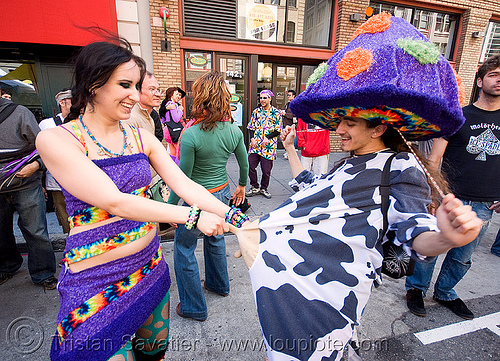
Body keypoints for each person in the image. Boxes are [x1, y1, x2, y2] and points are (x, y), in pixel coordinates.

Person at [233, 13, 482, 361]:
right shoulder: (349, 161)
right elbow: (312, 192)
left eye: (350, 122)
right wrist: (289, 149)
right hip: (309, 282)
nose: (340, 130)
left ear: (378, 128)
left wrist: (450, 238)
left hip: (336, 290)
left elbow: (416, 234)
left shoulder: (400, 166)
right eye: (340, 121)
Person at [36, 39, 248, 361]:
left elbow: (185, 182)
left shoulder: (140, 136)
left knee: (153, 355)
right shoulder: (57, 139)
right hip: (95, 281)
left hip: (149, 267)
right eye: (125, 84)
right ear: (93, 84)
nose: (135, 95)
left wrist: (239, 220)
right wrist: (192, 218)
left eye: (136, 85)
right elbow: (115, 201)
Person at [405, 53, 500, 320]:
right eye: (494, 74)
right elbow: (434, 158)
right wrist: (432, 195)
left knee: (463, 256)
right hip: (450, 198)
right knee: (431, 247)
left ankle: (445, 292)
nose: (499, 80)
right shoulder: (458, 117)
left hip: (484, 204)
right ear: (480, 81)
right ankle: (416, 289)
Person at [168, 70, 249, 321]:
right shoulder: (234, 130)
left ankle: (194, 307)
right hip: (222, 193)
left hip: (197, 201)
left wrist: (172, 207)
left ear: (200, 99)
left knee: (183, 248)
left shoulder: (191, 135)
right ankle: (219, 285)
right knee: (216, 239)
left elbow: (183, 179)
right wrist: (242, 186)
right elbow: (244, 164)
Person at [0, 96, 57, 290]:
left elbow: (44, 148)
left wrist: (35, 166)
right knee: (1, 232)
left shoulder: (20, 113)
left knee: (36, 231)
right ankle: (7, 266)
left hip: (25, 183)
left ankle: (44, 273)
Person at [39, 88, 73, 234]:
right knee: (66, 221)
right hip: (57, 183)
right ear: (62, 103)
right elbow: (39, 153)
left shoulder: (82, 121)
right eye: (72, 101)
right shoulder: (46, 125)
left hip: (81, 180)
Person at [246, 89, 282, 199]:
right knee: (249, 166)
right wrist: (252, 138)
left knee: (266, 170)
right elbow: (251, 126)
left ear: (270, 99)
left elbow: (278, 129)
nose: (262, 100)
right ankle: (254, 187)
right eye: (261, 98)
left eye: (265, 98)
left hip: (268, 146)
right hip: (255, 145)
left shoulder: (276, 113)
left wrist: (268, 137)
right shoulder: (256, 112)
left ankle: (263, 188)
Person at [159, 86, 186, 161]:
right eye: (176, 94)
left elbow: (162, 119)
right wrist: (180, 110)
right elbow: (176, 119)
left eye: (179, 95)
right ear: (171, 95)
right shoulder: (173, 105)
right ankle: (178, 169)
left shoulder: (166, 104)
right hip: (174, 131)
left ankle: (172, 168)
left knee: (172, 152)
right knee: (178, 152)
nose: (178, 96)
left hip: (168, 130)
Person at [281, 90, 296, 160]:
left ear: (293, 96)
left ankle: (290, 153)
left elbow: (295, 114)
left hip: (291, 124)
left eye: (289, 95)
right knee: (284, 138)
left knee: (290, 139)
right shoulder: (287, 104)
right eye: (287, 95)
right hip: (286, 123)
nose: (288, 96)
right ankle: (288, 152)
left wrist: (285, 114)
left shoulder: (295, 104)